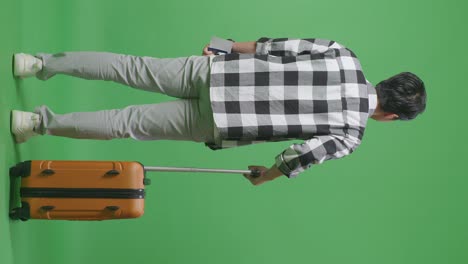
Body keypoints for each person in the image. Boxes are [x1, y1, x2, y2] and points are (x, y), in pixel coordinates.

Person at [10, 37, 427, 186]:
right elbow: (302, 155)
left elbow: (275, 46)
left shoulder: (344, 55)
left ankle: (37, 63)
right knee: (127, 123)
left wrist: (224, 44)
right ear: (391, 116)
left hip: (218, 71)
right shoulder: (351, 135)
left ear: (387, 81)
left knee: (129, 67)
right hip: (222, 121)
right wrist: (268, 175)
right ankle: (34, 123)